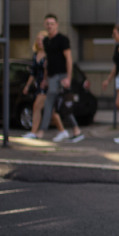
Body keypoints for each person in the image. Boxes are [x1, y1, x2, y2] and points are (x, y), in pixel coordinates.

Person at [39, 14, 85, 143]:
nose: (49, 26)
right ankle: (43, 132)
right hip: (52, 77)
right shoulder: (46, 41)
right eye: (47, 23)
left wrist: (68, 78)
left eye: (52, 23)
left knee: (63, 105)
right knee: (52, 105)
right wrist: (45, 79)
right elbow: (47, 61)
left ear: (56, 25)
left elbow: (69, 59)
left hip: (62, 77)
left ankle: (75, 131)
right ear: (45, 25)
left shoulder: (63, 39)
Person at [22, 31, 67, 140]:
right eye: (38, 40)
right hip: (39, 85)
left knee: (37, 106)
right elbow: (33, 73)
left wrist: (45, 81)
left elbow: (49, 69)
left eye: (42, 40)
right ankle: (62, 131)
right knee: (49, 110)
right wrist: (28, 85)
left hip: (48, 85)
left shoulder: (49, 54)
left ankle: (34, 132)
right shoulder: (36, 55)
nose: (40, 42)